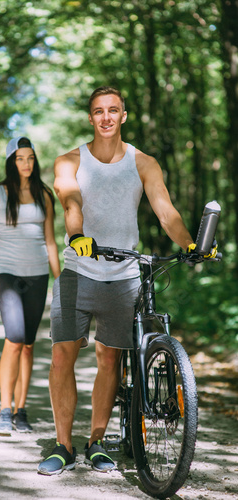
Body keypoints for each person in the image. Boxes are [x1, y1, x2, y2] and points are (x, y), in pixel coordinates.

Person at [37, 86, 195, 475]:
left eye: (113, 110)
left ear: (123, 116)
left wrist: (191, 244)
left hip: (125, 273)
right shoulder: (69, 160)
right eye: (98, 111)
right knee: (62, 355)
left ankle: (95, 440)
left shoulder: (144, 163)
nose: (106, 117)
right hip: (79, 268)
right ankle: (62, 444)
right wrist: (77, 236)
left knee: (110, 357)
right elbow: (70, 199)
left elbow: (165, 212)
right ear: (90, 118)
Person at [0, 136, 60, 436]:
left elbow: (51, 242)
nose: (26, 163)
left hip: (38, 275)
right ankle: (4, 409)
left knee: (28, 346)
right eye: (20, 158)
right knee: (13, 339)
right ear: (10, 162)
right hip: (6, 273)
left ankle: (21, 409)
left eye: (30, 158)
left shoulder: (44, 193)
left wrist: (61, 278)